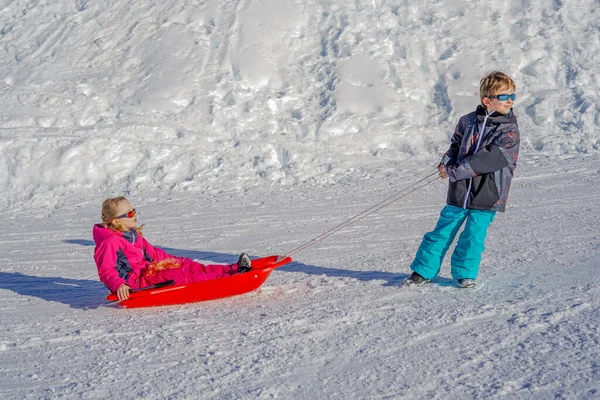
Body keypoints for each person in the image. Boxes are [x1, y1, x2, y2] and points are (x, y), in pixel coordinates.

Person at [405, 71, 520, 288]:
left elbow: (492, 158)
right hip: (459, 191)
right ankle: (423, 270)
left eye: (512, 96)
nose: (510, 101)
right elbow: (455, 146)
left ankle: (465, 273)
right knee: (441, 231)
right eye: (504, 97)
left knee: (473, 237)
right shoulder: (467, 122)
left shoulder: (509, 129)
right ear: (488, 100)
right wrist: (446, 163)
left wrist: (455, 172)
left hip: (488, 192)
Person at [93, 196, 253, 300]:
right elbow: (106, 270)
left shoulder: (133, 234)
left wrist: (176, 260)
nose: (134, 215)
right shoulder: (110, 242)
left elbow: (154, 254)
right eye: (128, 214)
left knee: (186, 265)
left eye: (133, 211)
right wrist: (119, 285)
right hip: (136, 283)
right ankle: (226, 279)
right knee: (180, 275)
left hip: (148, 272)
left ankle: (233, 270)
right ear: (115, 221)